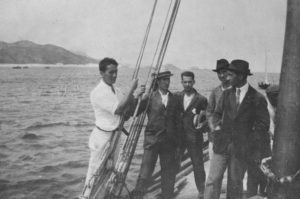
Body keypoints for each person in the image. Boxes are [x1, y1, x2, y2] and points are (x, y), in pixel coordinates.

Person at [204, 59, 270, 199]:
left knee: (235, 183)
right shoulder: (226, 94)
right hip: (221, 144)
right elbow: (215, 114)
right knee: (212, 180)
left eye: (230, 75)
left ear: (241, 76)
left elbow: (263, 125)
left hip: (241, 149)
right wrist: (215, 127)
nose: (227, 78)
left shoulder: (257, 97)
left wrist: (248, 141)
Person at [81, 57, 145, 199]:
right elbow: (119, 109)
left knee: (110, 170)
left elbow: (127, 107)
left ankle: (101, 196)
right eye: (111, 72)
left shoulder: (116, 90)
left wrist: (136, 95)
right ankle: (86, 197)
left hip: (115, 136)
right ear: (102, 73)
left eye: (116, 72)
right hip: (102, 138)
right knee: (95, 172)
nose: (114, 75)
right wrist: (132, 88)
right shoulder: (98, 92)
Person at [132, 70, 182, 199]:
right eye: (164, 80)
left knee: (168, 174)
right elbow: (134, 112)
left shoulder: (175, 98)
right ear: (158, 81)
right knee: (145, 174)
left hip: (169, 142)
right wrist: (137, 96)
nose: (167, 82)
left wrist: (178, 145)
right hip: (152, 141)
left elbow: (178, 123)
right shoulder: (149, 97)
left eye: (168, 79)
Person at [175, 71, 208, 199]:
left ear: (194, 82)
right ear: (181, 82)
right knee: (173, 163)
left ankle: (201, 191)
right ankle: (168, 189)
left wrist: (202, 125)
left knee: (198, 165)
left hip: (194, 138)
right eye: (185, 82)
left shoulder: (202, 99)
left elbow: (207, 118)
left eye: (190, 82)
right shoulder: (177, 97)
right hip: (179, 138)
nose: (187, 84)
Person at [206, 59, 231, 158]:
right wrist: (213, 127)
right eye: (219, 73)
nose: (221, 75)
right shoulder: (215, 92)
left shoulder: (236, 90)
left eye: (224, 72)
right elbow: (209, 112)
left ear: (229, 72)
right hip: (216, 137)